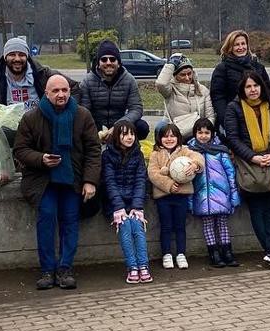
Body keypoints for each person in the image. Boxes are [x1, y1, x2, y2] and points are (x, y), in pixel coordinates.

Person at [13, 75, 101, 290]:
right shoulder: (31, 118)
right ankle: (47, 270)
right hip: (42, 181)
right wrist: (41, 159)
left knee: (70, 221)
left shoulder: (82, 115)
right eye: (56, 91)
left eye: (64, 90)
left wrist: (90, 181)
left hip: (73, 179)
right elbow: (20, 150)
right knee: (46, 219)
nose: (61, 94)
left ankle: (65, 268)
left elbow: (93, 151)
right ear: (46, 93)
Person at [224, 71, 270, 268]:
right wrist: (253, 157)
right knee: (257, 211)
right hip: (248, 165)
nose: (253, 90)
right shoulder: (234, 108)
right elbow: (232, 138)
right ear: (243, 89)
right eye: (248, 87)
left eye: (256, 86)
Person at [0, 37, 78, 119]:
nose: (17, 59)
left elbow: (74, 88)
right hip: (8, 134)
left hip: (41, 129)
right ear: (5, 57)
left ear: (27, 57)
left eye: (21, 54)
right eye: (12, 54)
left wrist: (64, 112)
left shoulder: (43, 74)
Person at [148, 124, 204, 269]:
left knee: (180, 226)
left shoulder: (184, 151)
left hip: (182, 196)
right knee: (166, 226)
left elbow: (197, 156)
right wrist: (168, 184)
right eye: (165, 136)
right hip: (163, 197)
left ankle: (181, 254)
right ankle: (166, 254)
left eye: (172, 136)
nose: (169, 139)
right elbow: (153, 174)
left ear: (178, 137)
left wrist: (195, 164)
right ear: (159, 138)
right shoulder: (155, 154)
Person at [102, 121, 152, 283]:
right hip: (115, 204)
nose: (129, 137)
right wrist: (119, 207)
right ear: (117, 136)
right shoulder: (107, 156)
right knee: (125, 227)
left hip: (134, 202)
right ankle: (132, 267)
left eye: (132, 134)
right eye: (124, 134)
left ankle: (143, 266)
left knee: (137, 227)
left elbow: (140, 181)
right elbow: (109, 182)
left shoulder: (137, 154)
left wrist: (137, 206)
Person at [188, 119, 241, 268]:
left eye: (207, 132)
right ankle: (214, 252)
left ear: (212, 134)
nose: (203, 136)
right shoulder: (190, 152)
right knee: (208, 224)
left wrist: (233, 194)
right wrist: (190, 201)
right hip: (202, 195)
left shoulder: (220, 150)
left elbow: (230, 173)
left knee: (223, 223)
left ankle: (227, 251)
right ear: (195, 134)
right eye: (200, 132)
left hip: (222, 194)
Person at [79, 40, 149, 140]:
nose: (108, 63)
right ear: (98, 63)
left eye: (112, 59)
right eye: (104, 59)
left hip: (120, 123)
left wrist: (118, 126)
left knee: (142, 127)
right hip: (95, 125)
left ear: (119, 63)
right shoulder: (87, 81)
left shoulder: (129, 80)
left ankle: (130, 147)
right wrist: (94, 130)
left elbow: (136, 108)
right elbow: (85, 111)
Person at [211, 30, 270, 127]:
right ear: (230, 47)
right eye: (236, 45)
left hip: (259, 117)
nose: (241, 47)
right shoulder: (222, 69)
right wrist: (226, 120)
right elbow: (218, 97)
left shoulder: (258, 67)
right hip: (234, 118)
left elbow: (267, 91)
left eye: (243, 44)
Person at [155, 53, 215, 137]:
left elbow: (210, 116)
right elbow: (161, 84)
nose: (187, 78)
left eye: (189, 73)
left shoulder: (203, 90)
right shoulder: (170, 90)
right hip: (175, 132)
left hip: (197, 132)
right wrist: (171, 64)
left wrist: (203, 132)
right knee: (160, 126)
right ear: (175, 75)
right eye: (183, 75)